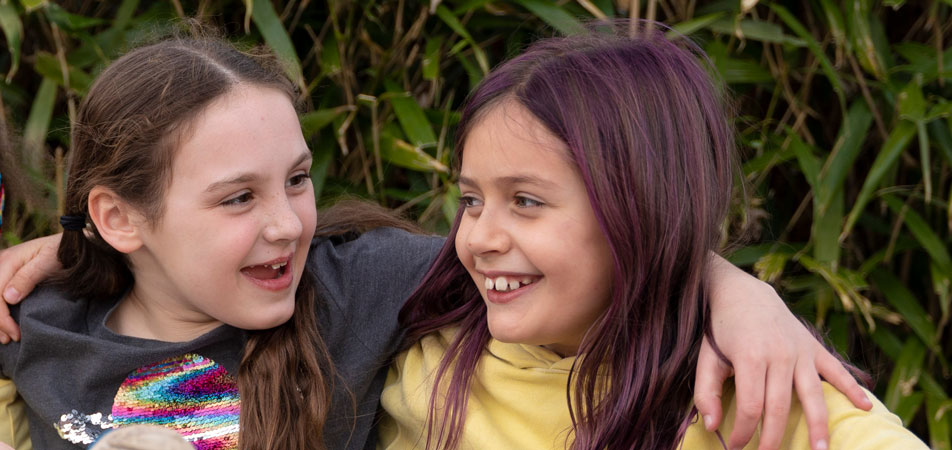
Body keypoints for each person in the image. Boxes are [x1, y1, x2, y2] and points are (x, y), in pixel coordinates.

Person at [0, 34, 873, 450]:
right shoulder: (49, 317)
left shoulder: (353, 287)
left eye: (298, 181)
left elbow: (574, 249)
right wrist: (50, 253)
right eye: (238, 198)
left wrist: (736, 289)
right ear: (120, 218)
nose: (286, 224)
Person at [377, 22, 926, 449]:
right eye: (471, 200)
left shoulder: (759, 391)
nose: (478, 239)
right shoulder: (420, 348)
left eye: (526, 201)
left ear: (636, 208)